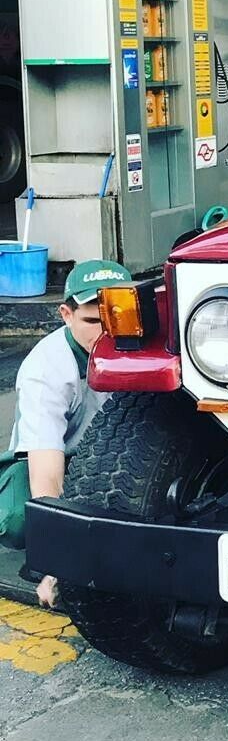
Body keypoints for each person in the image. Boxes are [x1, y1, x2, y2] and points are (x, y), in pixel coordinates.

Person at [7, 259, 131, 607]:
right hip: (60, 456)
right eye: (92, 320)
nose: (105, 333)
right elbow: (46, 469)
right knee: (17, 519)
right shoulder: (44, 369)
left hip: (114, 453)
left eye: (113, 318)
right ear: (65, 314)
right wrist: (56, 563)